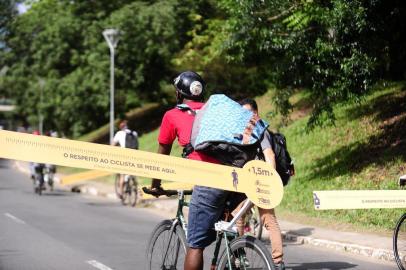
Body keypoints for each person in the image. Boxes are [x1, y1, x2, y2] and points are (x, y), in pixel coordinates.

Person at [149, 71, 228, 270]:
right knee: (225, 229)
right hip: (234, 177)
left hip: (206, 180)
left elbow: (162, 156)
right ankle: (236, 252)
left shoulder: (173, 115)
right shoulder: (216, 111)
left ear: (178, 94)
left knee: (195, 245)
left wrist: (156, 185)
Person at [234, 98, 285, 270]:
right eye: (243, 114)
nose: (246, 117)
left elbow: (269, 155)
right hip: (247, 182)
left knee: (266, 220)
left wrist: (269, 179)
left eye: (249, 113)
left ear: (256, 113)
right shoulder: (243, 131)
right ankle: (242, 258)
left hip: (260, 182)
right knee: (239, 218)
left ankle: (276, 261)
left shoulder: (260, 130)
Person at [112, 120, 139, 198]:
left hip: (124, 156)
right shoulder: (134, 133)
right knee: (130, 172)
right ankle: (132, 182)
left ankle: (121, 192)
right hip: (134, 156)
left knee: (122, 175)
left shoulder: (119, 133)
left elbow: (112, 145)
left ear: (121, 127)